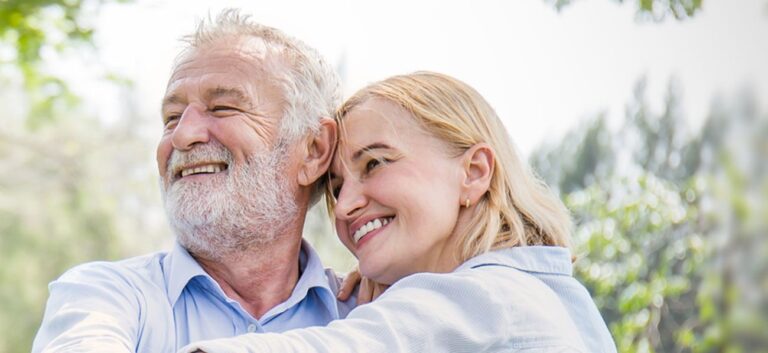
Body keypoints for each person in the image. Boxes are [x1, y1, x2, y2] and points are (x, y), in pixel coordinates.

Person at [180, 72, 618, 352]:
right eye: (336, 187)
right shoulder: (553, 297)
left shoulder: (491, 297)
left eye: (375, 163)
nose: (347, 204)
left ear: (474, 172)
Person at [32, 10, 358, 353]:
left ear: (313, 150)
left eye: (222, 108)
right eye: (172, 118)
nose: (183, 135)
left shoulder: (369, 314)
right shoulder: (101, 296)